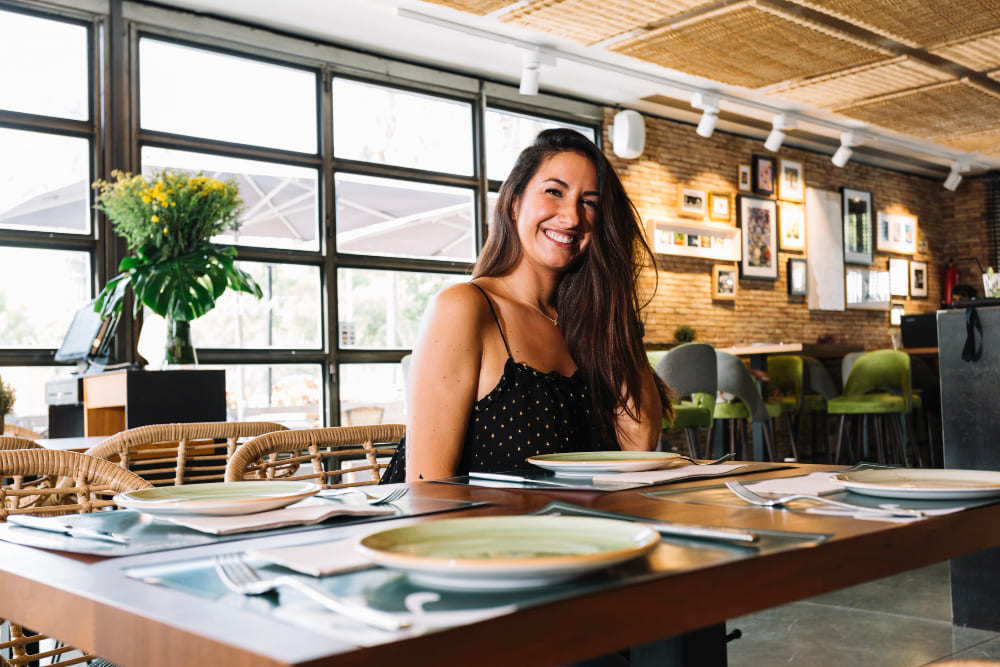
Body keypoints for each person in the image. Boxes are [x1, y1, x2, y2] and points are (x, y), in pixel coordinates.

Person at [382, 128, 671, 483]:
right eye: (554, 192)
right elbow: (428, 489)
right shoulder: (465, 308)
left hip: (568, 532)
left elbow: (638, 449)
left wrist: (614, 305)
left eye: (590, 202)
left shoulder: (587, 324)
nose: (571, 217)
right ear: (515, 202)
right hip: (463, 534)